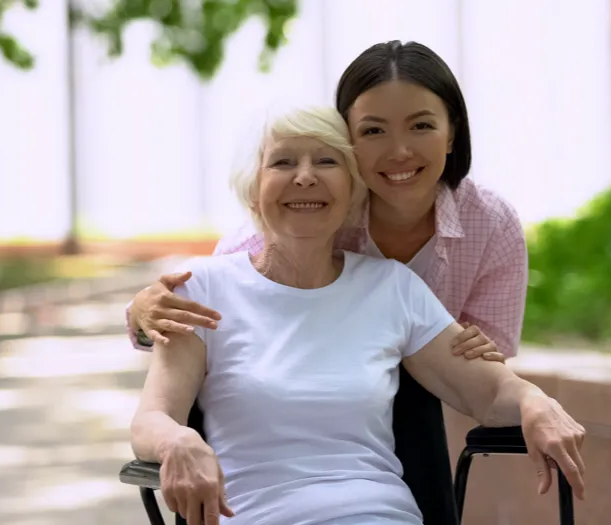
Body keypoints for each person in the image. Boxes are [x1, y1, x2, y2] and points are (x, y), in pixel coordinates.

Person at [127, 41, 530, 522]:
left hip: (388, 465)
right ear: (252, 191)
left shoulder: (415, 273)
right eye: (281, 163)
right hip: (260, 503)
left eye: (325, 161)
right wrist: (140, 323)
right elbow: (164, 397)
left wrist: (534, 401)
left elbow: (487, 381)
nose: (304, 179)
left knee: (415, 405)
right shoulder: (217, 277)